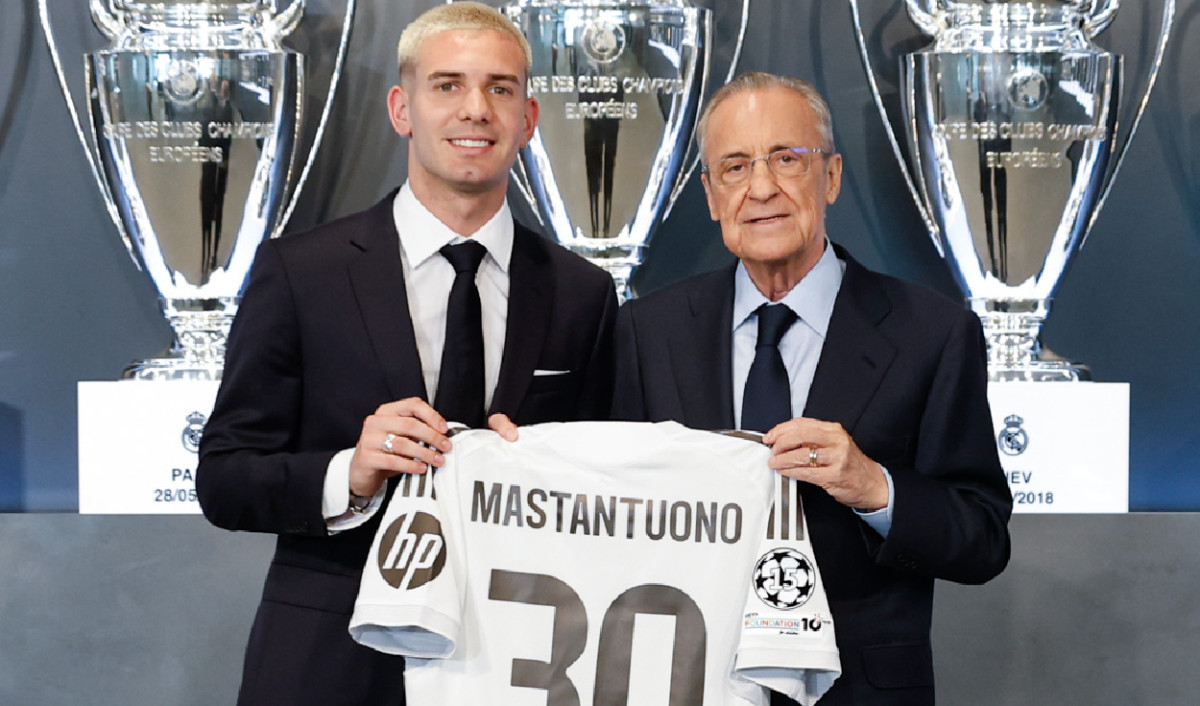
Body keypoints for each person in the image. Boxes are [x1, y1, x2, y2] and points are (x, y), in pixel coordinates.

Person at [196, 3, 617, 704]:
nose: (475, 109)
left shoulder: (583, 293)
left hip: (517, 660)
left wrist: (546, 469)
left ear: (528, 119)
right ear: (402, 109)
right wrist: (350, 474)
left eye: (500, 88)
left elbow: (605, 492)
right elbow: (224, 477)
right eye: (447, 85)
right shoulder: (301, 273)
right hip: (330, 662)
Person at [612, 72, 1012, 705]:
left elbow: (983, 539)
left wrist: (874, 487)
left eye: (786, 159)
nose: (761, 188)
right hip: (683, 683)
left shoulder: (933, 333)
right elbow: (608, 507)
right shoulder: (647, 330)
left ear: (830, 177)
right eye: (735, 167)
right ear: (711, 195)